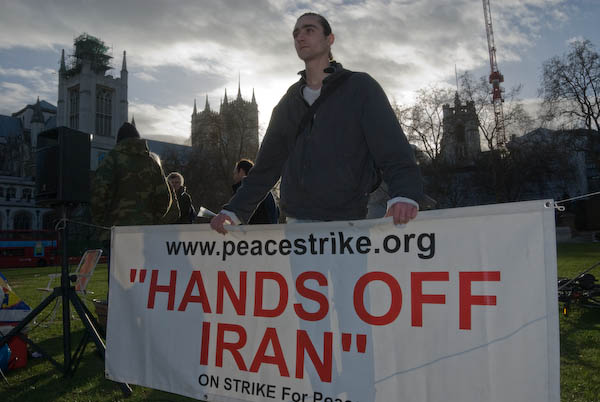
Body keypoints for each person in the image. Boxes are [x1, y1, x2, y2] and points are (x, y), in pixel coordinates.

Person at [210, 12, 423, 234]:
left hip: (351, 221)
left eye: (309, 30)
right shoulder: (289, 101)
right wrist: (233, 211)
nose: (300, 37)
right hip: (298, 223)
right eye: (296, 33)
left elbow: (392, 148)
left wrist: (405, 194)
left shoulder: (360, 88)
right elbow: (266, 166)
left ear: (330, 39)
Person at [91, 122, 179, 235]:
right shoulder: (152, 163)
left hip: (115, 231)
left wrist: (101, 222)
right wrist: (153, 220)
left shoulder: (111, 159)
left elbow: (98, 193)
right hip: (145, 232)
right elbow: (164, 198)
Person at [232, 159, 279, 224]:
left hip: (254, 229)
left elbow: (239, 215)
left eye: (235, 173)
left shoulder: (245, 190)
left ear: (241, 172)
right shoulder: (267, 191)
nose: (234, 177)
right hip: (270, 229)